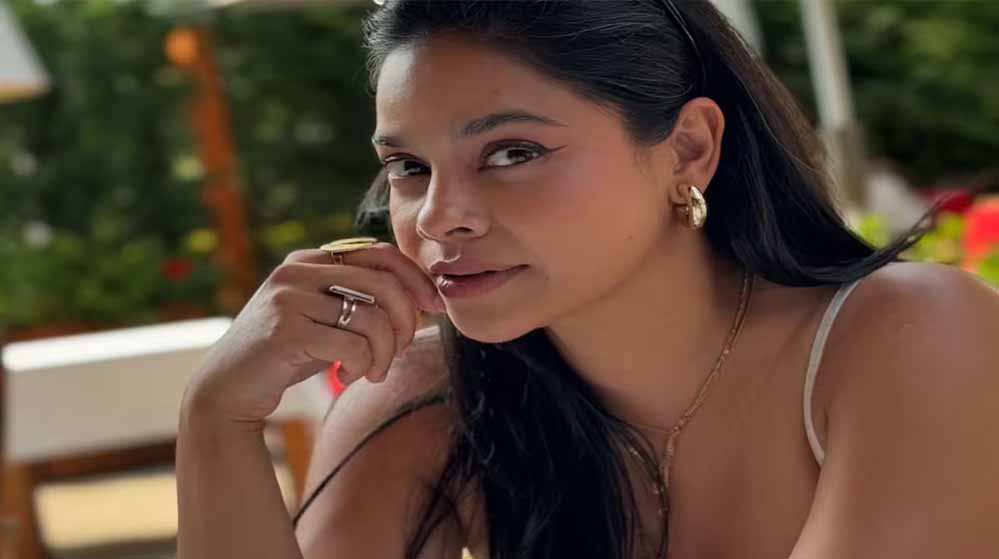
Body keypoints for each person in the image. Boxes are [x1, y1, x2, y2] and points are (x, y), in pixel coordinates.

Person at [175, 1, 999, 558]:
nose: (439, 217)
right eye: (409, 167)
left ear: (687, 149)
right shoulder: (424, 403)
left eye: (512, 152)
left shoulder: (908, 336)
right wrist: (216, 416)